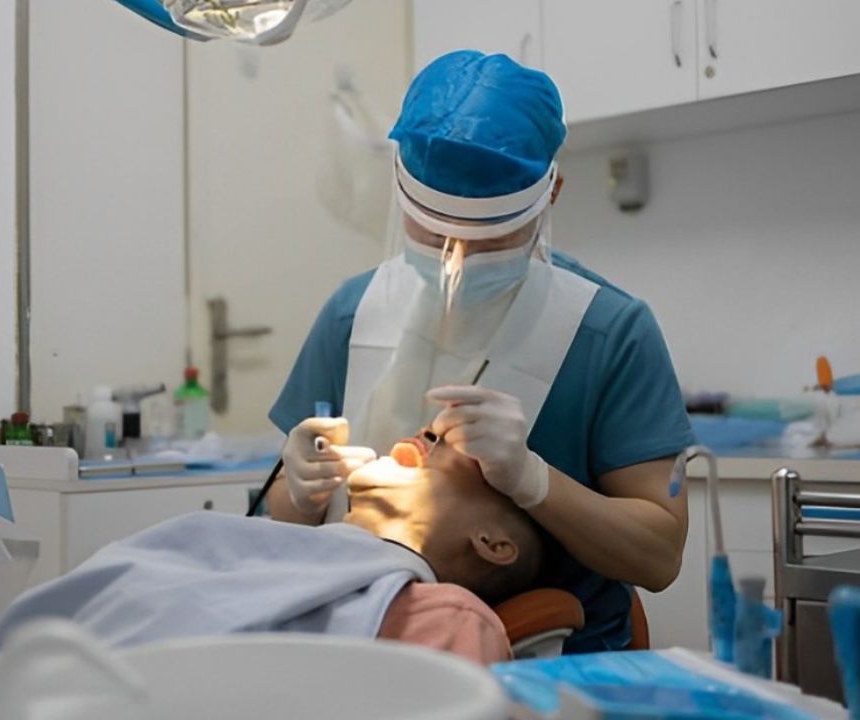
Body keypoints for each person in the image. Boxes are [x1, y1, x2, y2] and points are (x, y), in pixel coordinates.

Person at [267, 49, 695, 653]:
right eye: (433, 232)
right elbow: (274, 525)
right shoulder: (351, 313)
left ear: (551, 194)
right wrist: (299, 493)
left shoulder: (609, 332)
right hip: (355, 647)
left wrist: (535, 481)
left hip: (555, 667)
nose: (455, 260)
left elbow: (658, 558)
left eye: (488, 239)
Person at [0, 435, 541, 664]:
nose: (409, 443)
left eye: (442, 448)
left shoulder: (445, 620)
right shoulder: (249, 552)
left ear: (493, 544)